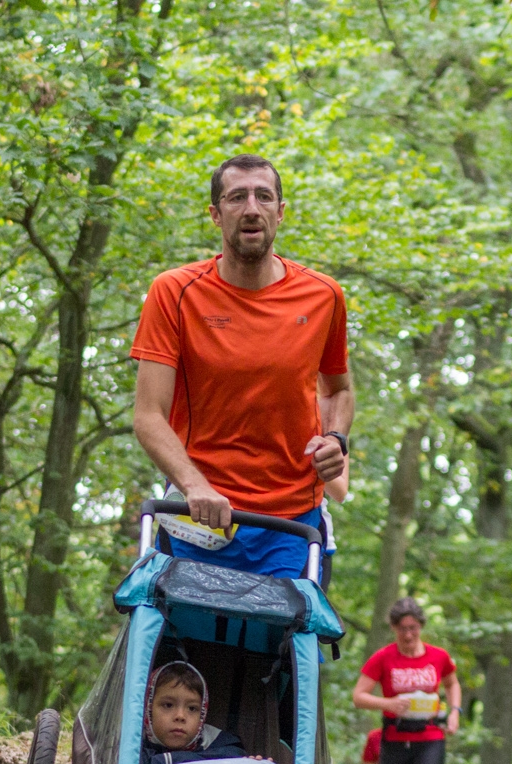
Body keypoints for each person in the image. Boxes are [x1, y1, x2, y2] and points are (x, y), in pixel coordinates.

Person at [130, 154, 355, 578]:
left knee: (291, 640)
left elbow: (338, 389)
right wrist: (196, 487)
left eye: (263, 197)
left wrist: (336, 438)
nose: (251, 208)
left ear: (280, 212)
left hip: (291, 523)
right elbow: (148, 416)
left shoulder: (324, 295)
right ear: (216, 215)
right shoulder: (174, 292)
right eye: (237, 198)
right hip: (199, 518)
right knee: (172, 639)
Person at [351, 598, 461, 764]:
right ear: (394, 627)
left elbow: (452, 684)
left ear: (421, 626)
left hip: (430, 736)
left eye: (413, 628)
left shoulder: (438, 656)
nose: (409, 635)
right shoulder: (383, 657)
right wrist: (388, 704)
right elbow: (359, 696)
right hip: (394, 737)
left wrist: (454, 712)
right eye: (402, 629)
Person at [140, 661, 248, 764]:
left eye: (192, 708)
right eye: (168, 705)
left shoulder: (225, 749)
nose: (180, 716)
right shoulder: (131, 746)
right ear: (148, 708)